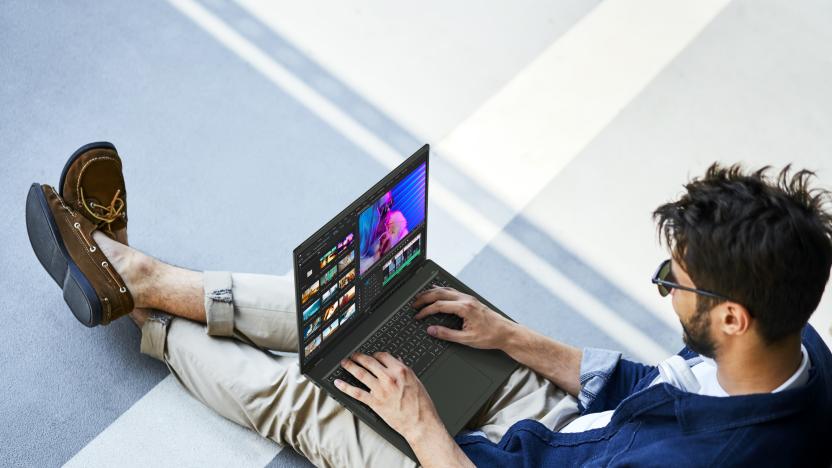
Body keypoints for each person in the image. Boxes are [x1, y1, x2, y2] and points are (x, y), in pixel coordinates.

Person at [26, 143, 832, 467]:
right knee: (381, 305)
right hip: (560, 429)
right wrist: (512, 337)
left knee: (310, 402)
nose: (664, 285)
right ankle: (144, 275)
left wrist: (421, 427)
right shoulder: (795, 355)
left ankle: (139, 312)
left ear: (732, 316)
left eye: (674, 282)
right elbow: (656, 379)